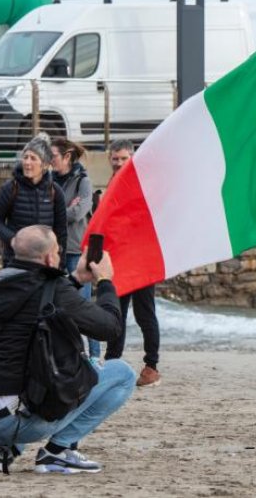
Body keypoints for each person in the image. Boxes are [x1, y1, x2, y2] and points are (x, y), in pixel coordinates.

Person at [0, 225, 134, 474]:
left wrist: (76, 279)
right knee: (122, 374)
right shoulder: (54, 288)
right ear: (49, 258)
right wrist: (105, 281)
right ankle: (56, 451)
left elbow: (38, 302)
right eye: (58, 251)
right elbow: (110, 328)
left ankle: (4, 451)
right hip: (13, 423)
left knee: (29, 369)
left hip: (1, 411)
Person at [101, 140, 162, 387]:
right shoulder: (113, 183)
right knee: (117, 313)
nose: (118, 163)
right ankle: (112, 362)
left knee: (144, 313)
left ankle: (151, 367)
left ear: (132, 158)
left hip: (143, 260)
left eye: (123, 159)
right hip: (119, 260)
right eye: (115, 159)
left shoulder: (143, 183)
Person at [51, 138, 99, 362]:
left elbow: (79, 213)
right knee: (56, 307)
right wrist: (64, 209)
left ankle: (95, 357)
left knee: (83, 307)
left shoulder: (83, 181)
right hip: (54, 252)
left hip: (76, 252)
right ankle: (70, 356)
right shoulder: (49, 180)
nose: (50, 161)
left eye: (54, 156)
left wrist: (56, 210)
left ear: (67, 157)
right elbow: (43, 208)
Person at [0, 134, 67, 267]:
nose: (27, 162)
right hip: (15, 261)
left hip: (45, 264)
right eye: (25, 157)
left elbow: (61, 232)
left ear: (44, 164)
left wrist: (60, 263)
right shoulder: (9, 188)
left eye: (33, 158)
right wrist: (13, 240)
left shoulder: (55, 191)